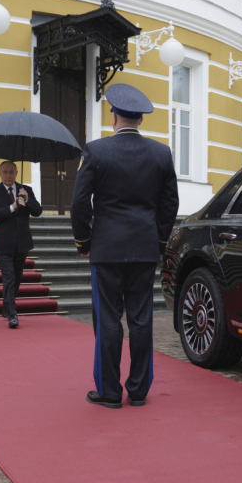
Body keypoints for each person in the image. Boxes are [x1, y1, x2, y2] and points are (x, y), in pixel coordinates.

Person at [71, 83, 179, 408]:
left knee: (107, 318)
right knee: (141, 318)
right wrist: (158, 241)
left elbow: (79, 203)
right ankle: (139, 390)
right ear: (140, 120)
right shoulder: (161, 153)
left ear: (113, 116)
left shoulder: (96, 150)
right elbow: (170, 203)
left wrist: (84, 241)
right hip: (145, 248)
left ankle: (109, 392)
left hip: (106, 248)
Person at [0, 161, 43, 328]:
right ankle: (12, 314)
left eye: (11, 172)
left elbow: (38, 212)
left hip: (21, 243)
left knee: (17, 278)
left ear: (17, 173)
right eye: (5, 172)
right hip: (2, 243)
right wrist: (13, 206)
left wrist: (27, 199)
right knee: (9, 277)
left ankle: (6, 307)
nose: (8, 175)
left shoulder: (25, 189)